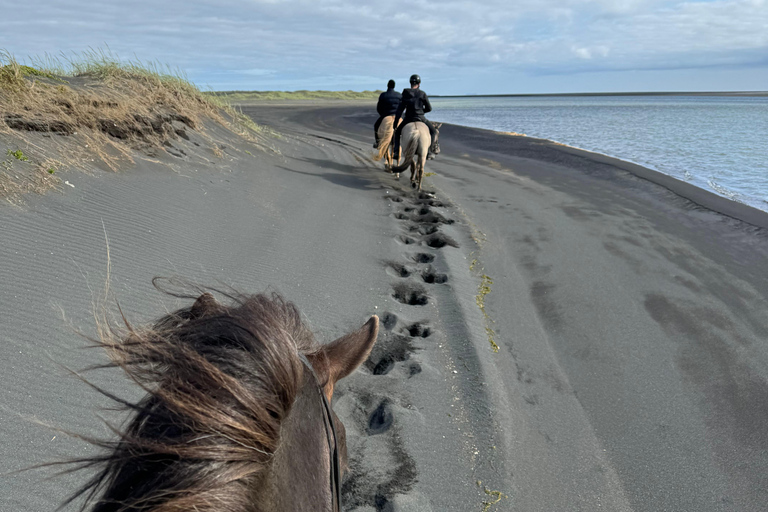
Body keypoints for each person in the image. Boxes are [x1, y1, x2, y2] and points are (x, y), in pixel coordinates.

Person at [391, 74, 438, 159]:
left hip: (408, 118)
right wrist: (421, 112)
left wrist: (395, 123)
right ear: (419, 83)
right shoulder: (422, 93)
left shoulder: (405, 93)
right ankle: (430, 152)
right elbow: (429, 108)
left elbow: (400, 110)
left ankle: (396, 152)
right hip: (421, 118)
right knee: (433, 132)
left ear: (410, 83)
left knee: (397, 133)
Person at [373, 79, 402, 148]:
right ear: (394, 86)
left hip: (386, 115)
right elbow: (401, 107)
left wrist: (382, 115)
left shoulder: (383, 95)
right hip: (396, 115)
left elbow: (379, 108)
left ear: (387, 86)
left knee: (376, 126)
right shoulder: (399, 95)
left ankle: (377, 142)